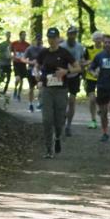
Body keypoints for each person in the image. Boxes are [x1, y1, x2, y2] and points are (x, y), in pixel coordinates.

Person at [35, 27, 79, 158]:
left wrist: (66, 72)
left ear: (58, 39)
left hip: (61, 90)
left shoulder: (64, 53)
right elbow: (36, 66)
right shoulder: (43, 53)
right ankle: (49, 149)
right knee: (47, 120)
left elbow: (78, 68)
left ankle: (58, 137)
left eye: (54, 38)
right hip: (47, 90)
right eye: (49, 37)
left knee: (59, 120)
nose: (51, 40)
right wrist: (36, 75)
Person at [60, 26, 87, 136]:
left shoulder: (80, 47)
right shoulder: (62, 46)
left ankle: (68, 125)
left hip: (75, 76)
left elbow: (82, 60)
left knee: (72, 100)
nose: (72, 36)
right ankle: (62, 118)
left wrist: (85, 66)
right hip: (63, 76)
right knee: (62, 101)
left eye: (74, 34)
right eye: (70, 34)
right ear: (67, 34)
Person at [83, 31, 104, 129]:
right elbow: (82, 63)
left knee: (101, 99)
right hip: (90, 77)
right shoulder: (88, 50)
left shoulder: (106, 50)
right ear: (93, 40)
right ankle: (93, 120)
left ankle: (100, 109)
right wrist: (92, 61)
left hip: (102, 77)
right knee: (92, 99)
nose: (99, 40)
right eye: (97, 38)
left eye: (100, 38)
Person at [24, 35, 44, 112]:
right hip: (31, 69)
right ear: (34, 40)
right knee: (31, 88)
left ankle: (39, 103)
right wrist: (31, 62)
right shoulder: (29, 49)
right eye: (37, 40)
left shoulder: (43, 49)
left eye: (40, 40)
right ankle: (30, 104)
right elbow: (24, 59)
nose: (38, 41)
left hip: (40, 70)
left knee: (41, 87)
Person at [10, 30, 30, 100]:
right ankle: (15, 88)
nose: (24, 36)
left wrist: (28, 60)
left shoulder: (27, 45)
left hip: (23, 63)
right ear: (20, 36)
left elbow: (29, 53)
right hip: (16, 63)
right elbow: (9, 50)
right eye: (23, 35)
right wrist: (11, 56)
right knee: (17, 78)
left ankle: (18, 94)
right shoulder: (14, 43)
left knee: (22, 80)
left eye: (25, 35)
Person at [0, 31, 12, 96]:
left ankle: (4, 90)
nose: (8, 36)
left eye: (9, 34)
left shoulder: (12, 44)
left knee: (8, 78)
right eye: (7, 34)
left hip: (8, 63)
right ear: (6, 35)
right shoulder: (2, 44)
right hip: (2, 63)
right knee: (2, 77)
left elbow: (14, 53)